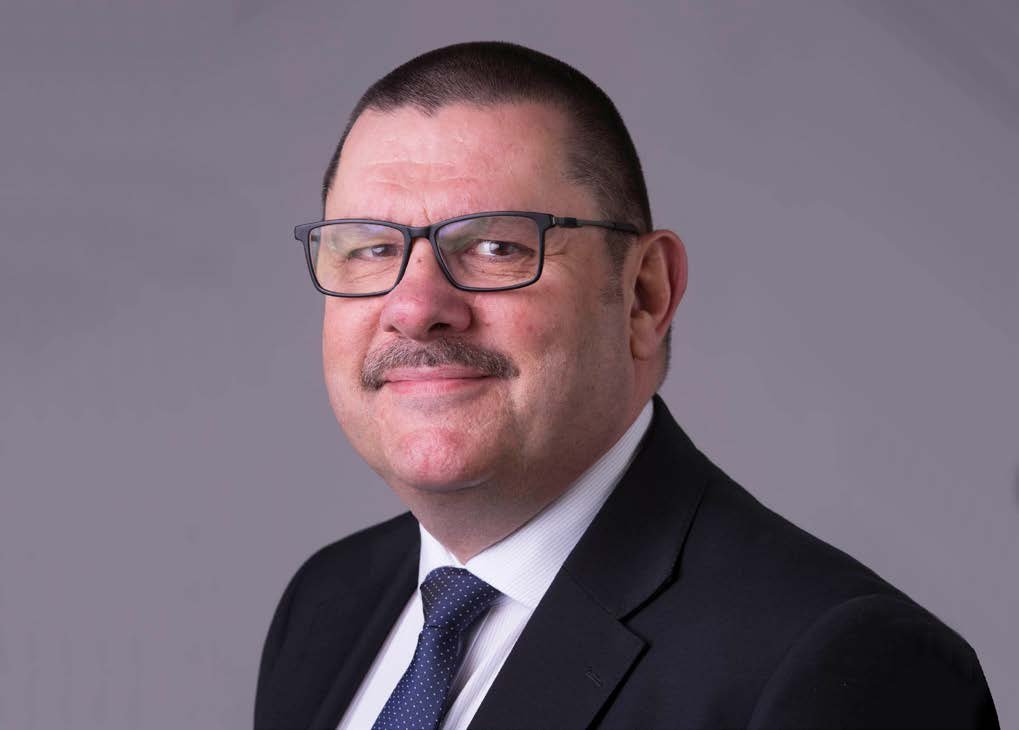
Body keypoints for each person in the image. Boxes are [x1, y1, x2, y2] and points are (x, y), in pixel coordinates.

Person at [255, 42, 999, 730]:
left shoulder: (848, 666)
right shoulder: (328, 602)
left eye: (495, 246)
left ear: (643, 294)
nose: (416, 308)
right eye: (371, 249)